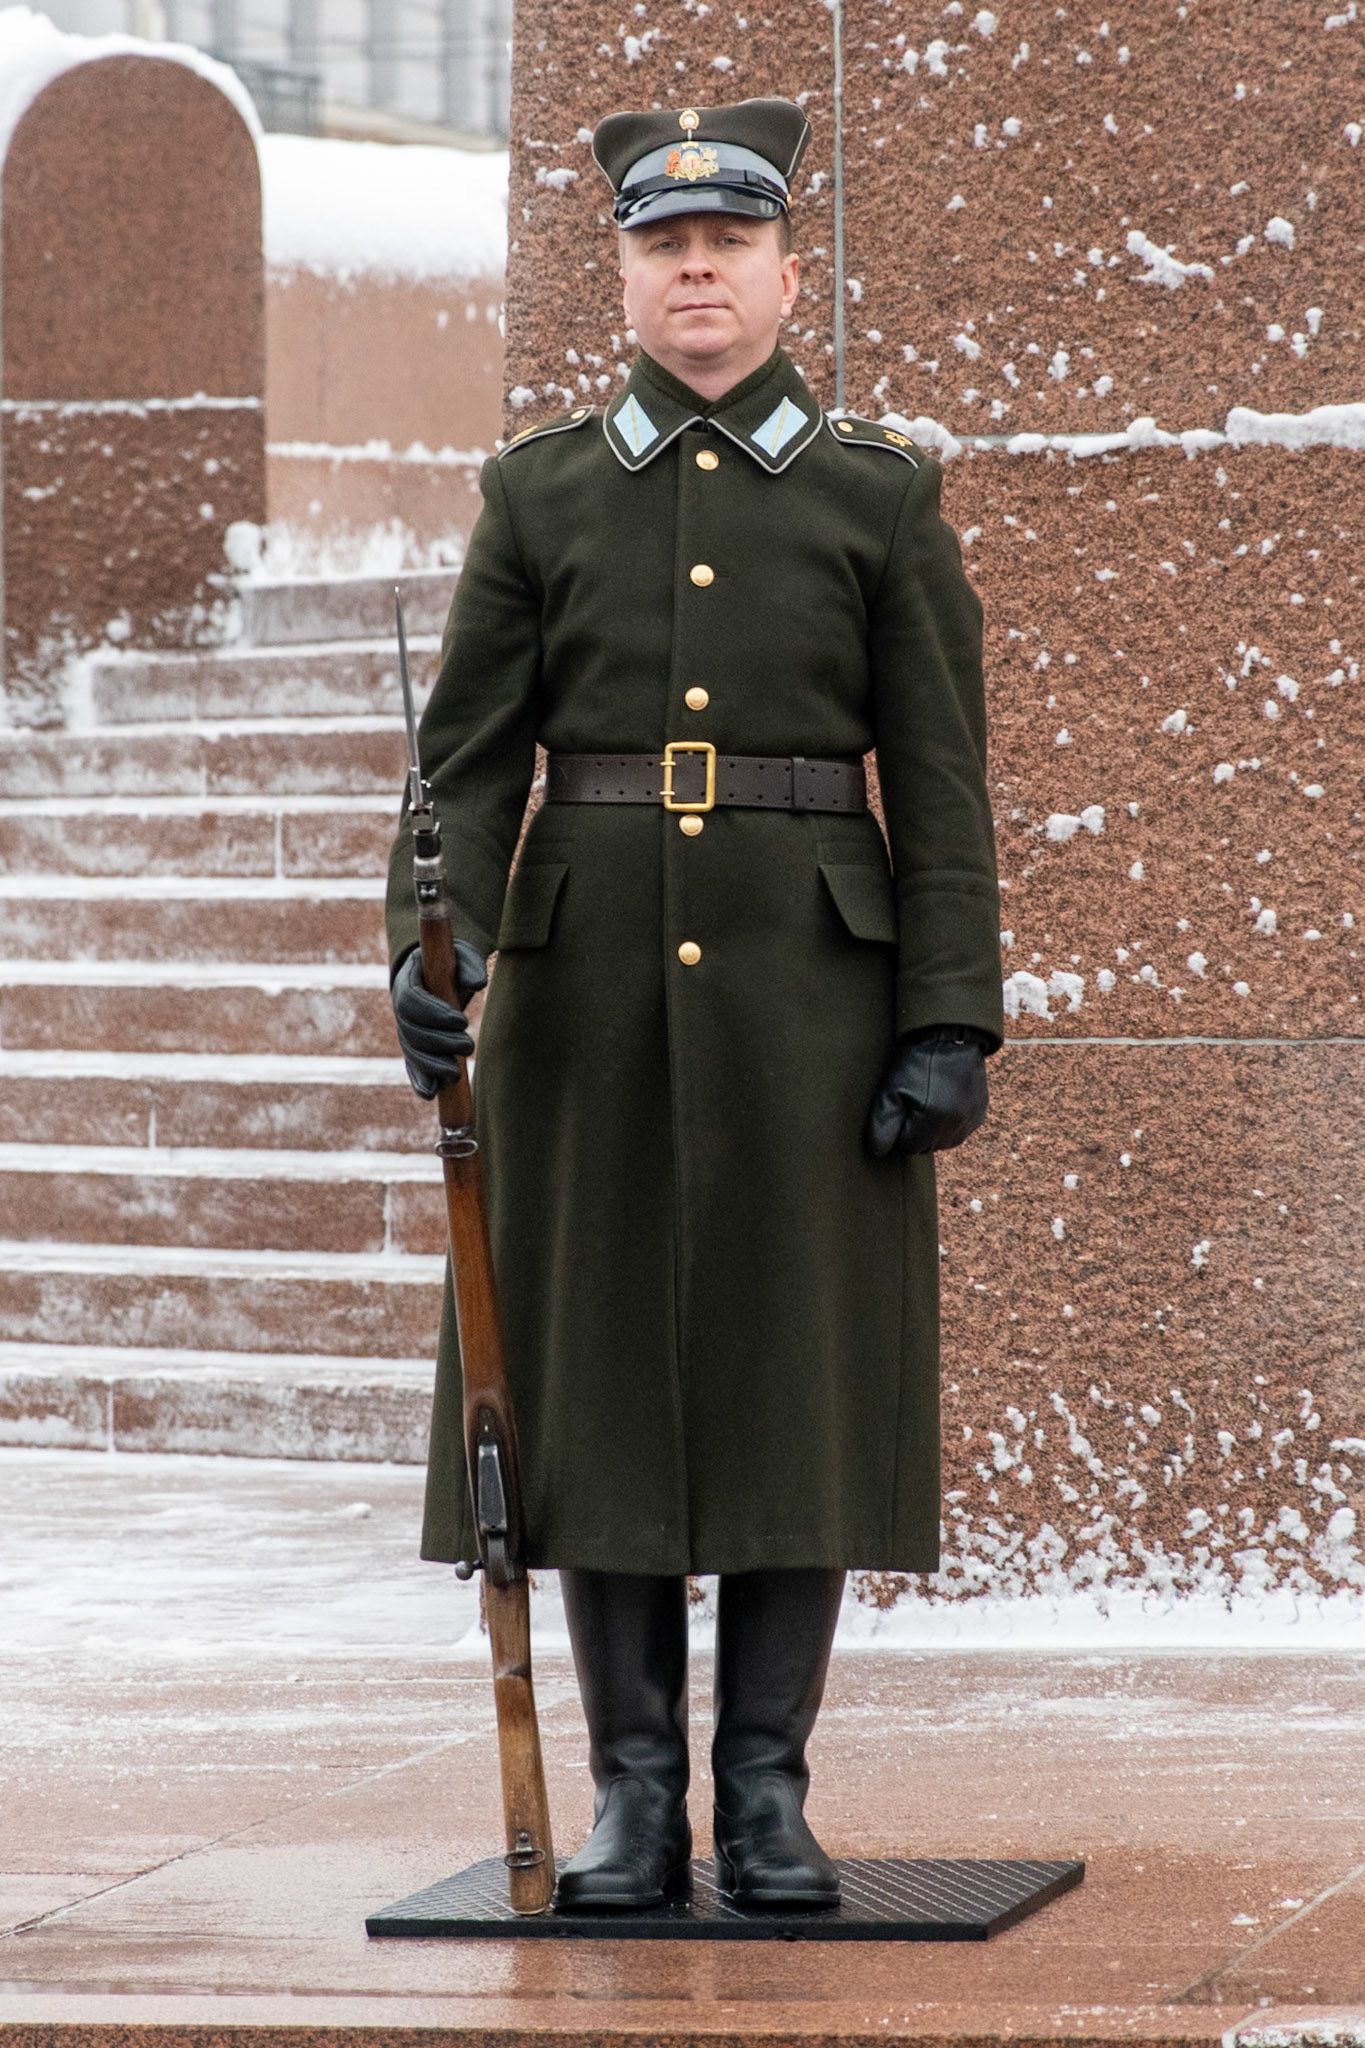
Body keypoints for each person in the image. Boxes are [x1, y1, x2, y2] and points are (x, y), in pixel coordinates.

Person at [386, 96, 1002, 1914]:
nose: (698, 273)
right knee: (594, 1400)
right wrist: (430, 955)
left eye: (728, 246)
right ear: (629, 279)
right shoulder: (542, 492)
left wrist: (948, 1014)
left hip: (815, 992)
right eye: (665, 250)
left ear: (787, 271)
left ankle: (768, 1801)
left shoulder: (877, 492)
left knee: (792, 1383)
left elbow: (942, 779)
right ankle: (635, 1804)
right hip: (583, 1001)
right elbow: (467, 767)